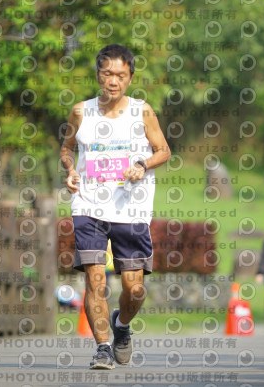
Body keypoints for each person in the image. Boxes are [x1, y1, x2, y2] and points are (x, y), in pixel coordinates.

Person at [60, 44, 170, 369]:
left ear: (130, 77)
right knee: (95, 280)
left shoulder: (142, 111)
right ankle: (103, 348)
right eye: (107, 73)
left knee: (135, 289)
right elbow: (67, 148)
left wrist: (143, 164)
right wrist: (70, 170)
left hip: (131, 210)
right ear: (98, 75)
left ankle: (121, 325)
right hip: (88, 206)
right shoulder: (81, 111)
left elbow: (163, 150)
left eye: (120, 75)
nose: (113, 81)